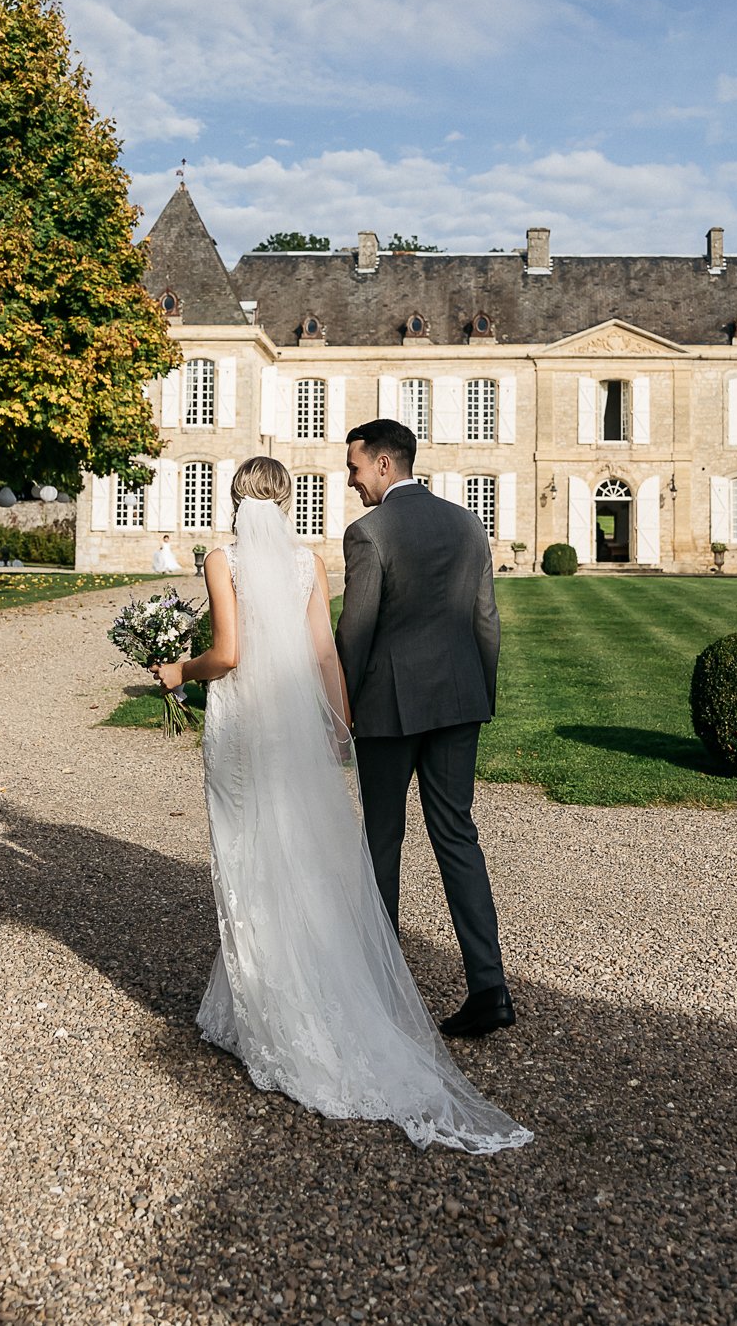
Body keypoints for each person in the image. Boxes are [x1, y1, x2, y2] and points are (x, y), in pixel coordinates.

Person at [154, 457, 528, 1153]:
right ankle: (358, 991)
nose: (354, 477)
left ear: (236, 497)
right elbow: (329, 650)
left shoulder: (224, 557)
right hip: (360, 716)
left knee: (259, 854)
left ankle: (273, 1006)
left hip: (247, 723)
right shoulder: (311, 561)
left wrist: (178, 668)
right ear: (288, 499)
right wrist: (337, 719)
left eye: (358, 466)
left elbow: (231, 653)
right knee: (317, 846)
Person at [336, 417, 513, 1039]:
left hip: (388, 707)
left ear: (385, 464)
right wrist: (479, 695)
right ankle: (489, 987)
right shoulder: (468, 524)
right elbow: (485, 618)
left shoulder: (369, 532)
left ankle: (380, 988)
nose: (351, 480)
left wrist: (343, 705)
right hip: (460, 702)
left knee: (382, 839)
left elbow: (355, 634)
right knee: (457, 836)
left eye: (355, 467)